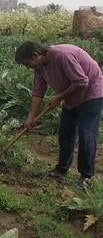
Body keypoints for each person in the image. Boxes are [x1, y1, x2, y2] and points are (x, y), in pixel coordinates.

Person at [15, 41, 103, 187]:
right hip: (71, 97)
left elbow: (82, 82)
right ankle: (61, 170)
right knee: (66, 133)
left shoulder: (63, 55)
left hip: (91, 94)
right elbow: (38, 90)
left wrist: (60, 96)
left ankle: (86, 176)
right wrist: (31, 116)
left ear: (36, 55)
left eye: (27, 63)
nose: (28, 67)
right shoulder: (40, 66)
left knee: (86, 134)